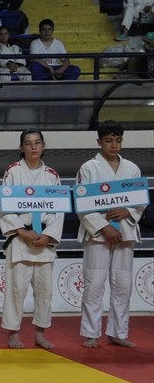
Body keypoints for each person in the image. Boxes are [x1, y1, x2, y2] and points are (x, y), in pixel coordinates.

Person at [76, 121, 145, 349]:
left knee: (123, 284)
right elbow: (82, 202)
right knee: (94, 283)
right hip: (99, 233)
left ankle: (118, 332)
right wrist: (103, 226)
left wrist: (128, 211)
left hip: (125, 230)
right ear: (99, 142)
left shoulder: (132, 168)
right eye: (108, 140)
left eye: (118, 140)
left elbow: (139, 199)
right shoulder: (89, 168)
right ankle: (91, 332)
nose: (114, 145)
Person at [0, 130, 63, 350]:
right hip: (21, 238)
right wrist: (21, 231)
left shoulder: (52, 175)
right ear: (21, 148)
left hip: (44, 239)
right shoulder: (13, 172)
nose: (33, 147)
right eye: (28, 143)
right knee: (17, 289)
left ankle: (40, 333)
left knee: (45, 291)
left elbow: (59, 210)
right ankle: (13, 333)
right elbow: (4, 205)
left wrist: (49, 235)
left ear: (44, 146)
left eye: (37, 143)